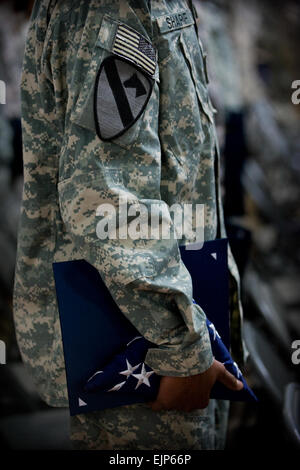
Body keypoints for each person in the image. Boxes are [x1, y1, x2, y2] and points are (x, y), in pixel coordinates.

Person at [13, 0, 244, 450]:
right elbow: (108, 200)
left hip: (171, 308)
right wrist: (182, 349)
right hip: (143, 336)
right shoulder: (121, 7)